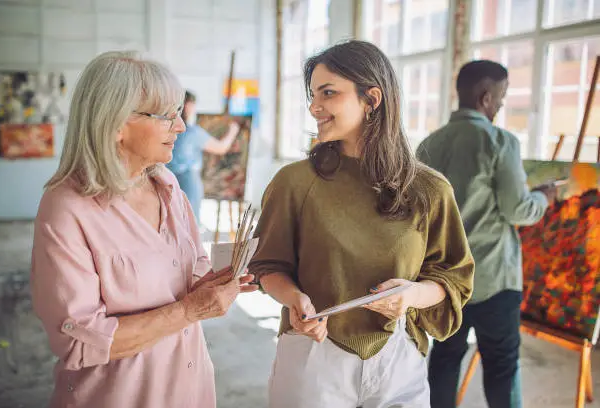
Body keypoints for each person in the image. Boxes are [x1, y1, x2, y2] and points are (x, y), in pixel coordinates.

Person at [248, 40, 475, 408]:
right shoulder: (294, 183)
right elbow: (267, 266)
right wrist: (294, 300)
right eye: (313, 95)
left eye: (328, 93)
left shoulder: (429, 190)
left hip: (399, 358)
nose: (314, 107)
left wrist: (410, 296)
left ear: (372, 99)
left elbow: (453, 278)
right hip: (313, 354)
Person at [30, 51, 257, 408]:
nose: (181, 127)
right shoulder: (67, 207)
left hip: (188, 388)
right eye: (168, 116)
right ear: (117, 124)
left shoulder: (167, 186)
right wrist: (190, 310)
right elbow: (78, 342)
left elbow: (188, 272)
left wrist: (212, 285)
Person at [417, 60, 557, 408]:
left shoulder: (428, 146)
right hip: (495, 278)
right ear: (485, 97)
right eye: (502, 97)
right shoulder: (500, 142)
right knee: (501, 366)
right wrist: (544, 197)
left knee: (445, 358)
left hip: (444, 280)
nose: (501, 105)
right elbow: (517, 210)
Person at [166, 90, 240, 221]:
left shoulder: (166, 128)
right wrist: (233, 131)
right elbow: (221, 147)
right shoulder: (192, 133)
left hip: (166, 180)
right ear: (188, 106)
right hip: (187, 183)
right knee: (188, 223)